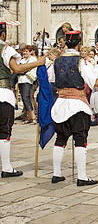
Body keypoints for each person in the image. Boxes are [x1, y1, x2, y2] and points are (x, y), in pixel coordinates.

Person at [51, 30, 98, 186]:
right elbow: (95, 82)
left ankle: (56, 173)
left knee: (60, 139)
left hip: (61, 103)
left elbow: (51, 78)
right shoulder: (82, 61)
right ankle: (82, 176)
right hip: (77, 104)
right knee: (80, 139)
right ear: (79, 43)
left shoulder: (57, 61)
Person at [0, 22, 45, 178]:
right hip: (2, 93)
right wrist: (38, 63)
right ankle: (6, 167)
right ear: (3, 33)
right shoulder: (5, 50)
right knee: (4, 130)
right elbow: (17, 69)